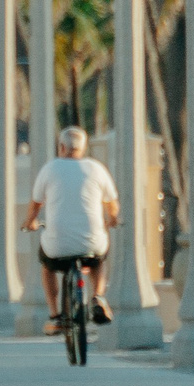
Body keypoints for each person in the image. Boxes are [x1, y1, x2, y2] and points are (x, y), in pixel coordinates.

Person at [26, 125, 120, 333]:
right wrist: (112, 219)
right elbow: (112, 204)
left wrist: (29, 222)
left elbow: (35, 205)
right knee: (99, 258)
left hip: (58, 246)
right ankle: (98, 296)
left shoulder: (50, 169)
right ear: (84, 148)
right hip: (91, 243)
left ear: (61, 147)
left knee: (47, 266)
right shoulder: (96, 169)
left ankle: (55, 316)